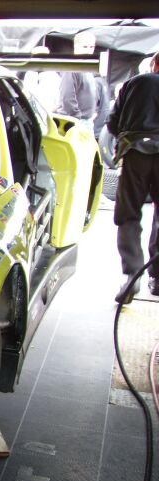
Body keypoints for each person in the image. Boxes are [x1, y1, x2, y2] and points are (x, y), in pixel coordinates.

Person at [106, 51, 159, 303]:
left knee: (128, 214)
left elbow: (112, 123)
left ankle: (131, 276)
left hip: (135, 152)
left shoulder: (134, 83)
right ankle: (157, 277)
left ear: (154, 64)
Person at [56, 31, 98, 131]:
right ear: (76, 46)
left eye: (91, 47)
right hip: (76, 121)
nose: (89, 51)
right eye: (85, 47)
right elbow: (67, 97)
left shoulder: (87, 68)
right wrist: (76, 117)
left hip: (86, 120)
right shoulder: (72, 68)